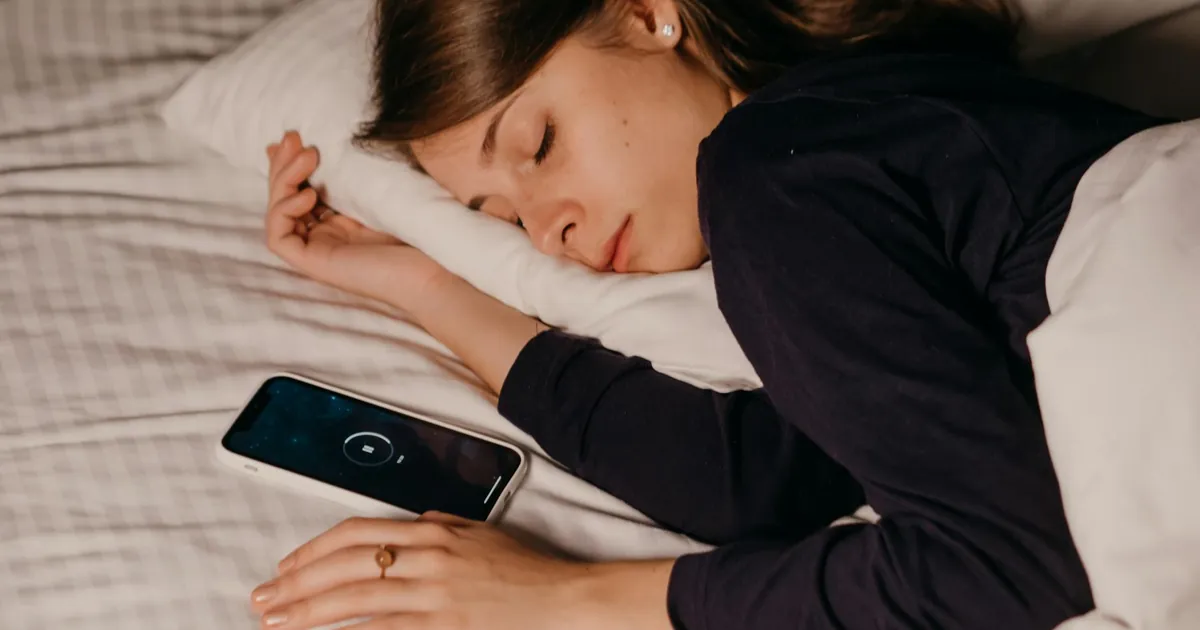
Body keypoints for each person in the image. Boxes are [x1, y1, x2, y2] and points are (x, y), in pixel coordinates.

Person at [246, 0, 1163, 628]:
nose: (546, 231)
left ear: (647, 13)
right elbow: (764, 477)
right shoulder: (870, 127)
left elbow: (1002, 574)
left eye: (538, 143)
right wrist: (420, 281)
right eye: (500, 219)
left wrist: (565, 603)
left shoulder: (772, 169)